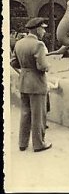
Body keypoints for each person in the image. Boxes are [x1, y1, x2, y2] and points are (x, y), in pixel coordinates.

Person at [10, 17, 52, 152]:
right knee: (38, 115)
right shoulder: (38, 45)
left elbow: (13, 63)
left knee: (25, 113)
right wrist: (48, 65)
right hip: (37, 84)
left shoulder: (19, 44)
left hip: (23, 82)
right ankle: (39, 144)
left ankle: (22, 144)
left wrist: (24, 70)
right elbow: (42, 67)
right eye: (43, 29)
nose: (44, 31)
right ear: (37, 29)